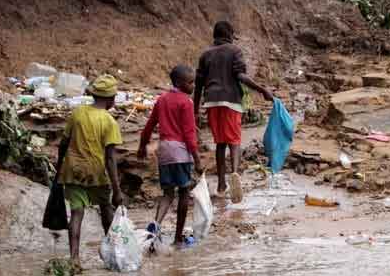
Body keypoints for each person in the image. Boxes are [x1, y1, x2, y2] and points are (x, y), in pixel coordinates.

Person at [194, 21, 273, 203]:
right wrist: (262, 90)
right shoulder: (234, 51)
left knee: (220, 143)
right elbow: (241, 76)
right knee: (234, 141)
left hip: (211, 101)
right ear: (229, 34)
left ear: (214, 35)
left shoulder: (205, 54)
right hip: (231, 100)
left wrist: (195, 110)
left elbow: (198, 85)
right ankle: (235, 173)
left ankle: (222, 184)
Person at [57, 74, 123, 270]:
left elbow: (64, 143)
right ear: (111, 99)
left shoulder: (77, 113)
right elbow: (110, 159)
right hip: (96, 172)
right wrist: (117, 190)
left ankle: (74, 258)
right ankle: (112, 251)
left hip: (73, 169)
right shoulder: (109, 122)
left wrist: (59, 165)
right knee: (106, 210)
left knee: (77, 213)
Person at [137, 65, 203, 246]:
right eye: (191, 83)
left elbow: (149, 125)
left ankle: (155, 228)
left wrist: (142, 145)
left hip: (164, 150)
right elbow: (189, 134)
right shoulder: (186, 102)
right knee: (184, 192)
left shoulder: (162, 99)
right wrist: (197, 159)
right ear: (181, 83)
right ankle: (177, 238)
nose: (193, 86)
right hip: (181, 152)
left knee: (167, 194)